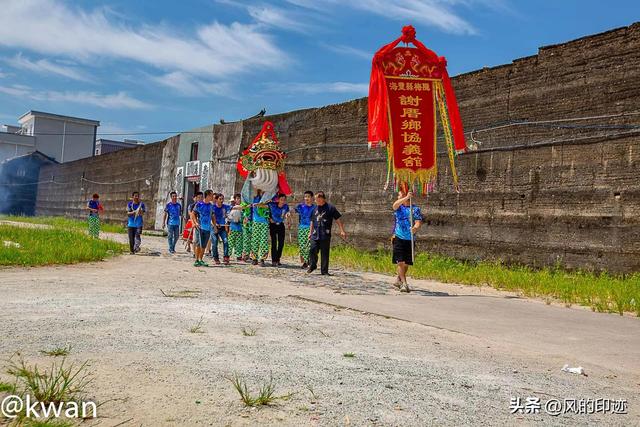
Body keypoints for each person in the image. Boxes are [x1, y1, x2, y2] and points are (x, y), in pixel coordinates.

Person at [308, 191, 346, 275]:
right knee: (312, 250)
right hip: (315, 234)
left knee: (325, 253)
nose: (315, 201)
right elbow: (312, 221)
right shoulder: (314, 209)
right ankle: (313, 265)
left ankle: (324, 271)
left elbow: (338, 219)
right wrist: (310, 232)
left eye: (316, 199)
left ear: (322, 198)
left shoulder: (330, 208)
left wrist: (342, 230)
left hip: (325, 234)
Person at [392, 190, 423, 293]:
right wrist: (405, 198)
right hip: (398, 237)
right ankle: (405, 284)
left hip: (409, 239)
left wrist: (415, 228)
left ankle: (399, 279)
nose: (398, 197)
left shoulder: (415, 209)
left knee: (406, 264)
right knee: (400, 262)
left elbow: (418, 222)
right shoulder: (399, 207)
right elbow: (394, 205)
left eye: (399, 195)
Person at [191, 190, 214, 267]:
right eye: (211, 195)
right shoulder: (199, 204)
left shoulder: (211, 205)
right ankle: (196, 260)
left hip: (208, 228)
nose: (213, 197)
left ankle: (201, 259)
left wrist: (214, 225)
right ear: (207, 196)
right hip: (200, 227)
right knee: (198, 244)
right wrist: (195, 222)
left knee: (204, 245)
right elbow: (193, 214)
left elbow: (213, 216)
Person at [268, 193, 291, 266]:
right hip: (273, 225)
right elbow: (266, 212)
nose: (282, 201)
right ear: (278, 199)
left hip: (281, 225)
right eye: (281, 199)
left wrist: (289, 220)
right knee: (274, 242)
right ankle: (273, 260)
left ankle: (278, 259)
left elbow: (287, 213)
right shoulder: (272, 205)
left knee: (281, 243)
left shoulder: (285, 206)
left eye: (284, 200)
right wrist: (269, 219)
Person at [295, 191, 315, 269]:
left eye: (308, 197)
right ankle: (305, 262)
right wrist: (288, 213)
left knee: (310, 246)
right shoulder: (300, 206)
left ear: (312, 198)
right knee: (302, 245)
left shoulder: (314, 208)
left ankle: (310, 261)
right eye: (305, 197)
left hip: (311, 228)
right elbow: (292, 210)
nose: (306, 198)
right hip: (302, 228)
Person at [250, 189, 270, 266]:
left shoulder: (268, 199)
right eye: (262, 189)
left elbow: (267, 206)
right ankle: (254, 258)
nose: (263, 191)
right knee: (255, 240)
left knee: (264, 241)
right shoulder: (255, 198)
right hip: (256, 221)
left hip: (264, 222)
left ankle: (262, 259)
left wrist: (258, 204)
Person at [212, 193, 231, 265]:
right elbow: (211, 217)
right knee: (215, 242)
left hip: (222, 227)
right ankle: (216, 257)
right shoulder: (212, 207)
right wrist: (214, 224)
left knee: (226, 241)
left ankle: (226, 257)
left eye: (223, 199)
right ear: (216, 200)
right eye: (220, 199)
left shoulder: (225, 207)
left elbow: (232, 209)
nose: (222, 200)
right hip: (214, 227)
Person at [228, 193, 244, 261]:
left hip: (240, 227)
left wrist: (241, 219)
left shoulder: (243, 208)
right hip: (232, 227)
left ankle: (239, 255)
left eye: (239, 198)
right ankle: (227, 254)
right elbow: (228, 216)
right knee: (231, 242)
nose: (239, 200)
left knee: (239, 242)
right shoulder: (231, 207)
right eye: (237, 198)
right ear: (234, 200)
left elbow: (244, 216)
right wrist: (232, 219)